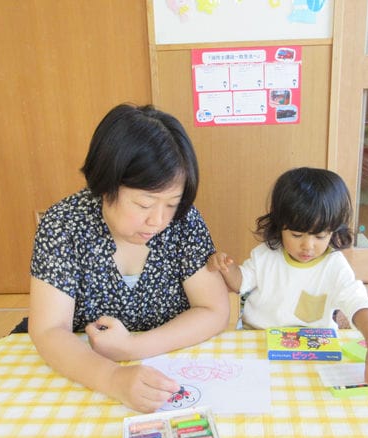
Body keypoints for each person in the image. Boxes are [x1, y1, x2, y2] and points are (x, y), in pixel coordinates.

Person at [29, 103, 230, 413]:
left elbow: (214, 309)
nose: (159, 221)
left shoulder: (184, 221)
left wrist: (134, 347)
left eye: (171, 204)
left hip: (168, 368)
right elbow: (48, 330)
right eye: (144, 204)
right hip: (89, 371)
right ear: (106, 184)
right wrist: (113, 378)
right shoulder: (63, 224)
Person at [208, 167, 368, 385]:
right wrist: (225, 267)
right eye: (296, 235)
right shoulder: (266, 255)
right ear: (279, 227)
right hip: (259, 339)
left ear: (334, 231)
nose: (308, 245)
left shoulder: (334, 265)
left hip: (315, 350)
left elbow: (358, 303)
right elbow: (240, 282)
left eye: (319, 235)